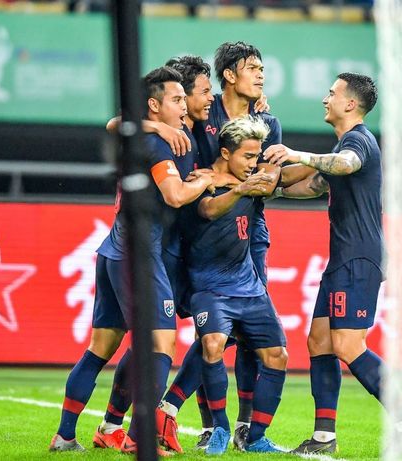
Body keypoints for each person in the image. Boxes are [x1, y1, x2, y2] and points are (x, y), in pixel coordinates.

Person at [49, 66, 214, 454]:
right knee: (161, 344)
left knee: (100, 349)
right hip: (137, 256)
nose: (184, 107)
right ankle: (139, 440)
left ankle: (66, 436)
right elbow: (173, 195)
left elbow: (115, 124)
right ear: (155, 105)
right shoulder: (159, 143)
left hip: (113, 251)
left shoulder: (153, 133)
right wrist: (204, 181)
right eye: (177, 100)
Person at [263, 73, 402, 456]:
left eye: (332, 93)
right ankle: (323, 438)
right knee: (319, 342)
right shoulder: (343, 145)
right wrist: (266, 191)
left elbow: (346, 164)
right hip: (343, 259)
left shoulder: (358, 141)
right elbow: (314, 185)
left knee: (348, 344)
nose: (325, 98)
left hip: (359, 258)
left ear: (350, 103)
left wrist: (295, 154)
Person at [157, 41, 283, 452]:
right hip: (198, 232)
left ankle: (245, 427)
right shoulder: (201, 109)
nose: (261, 74)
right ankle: (208, 423)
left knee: (244, 332)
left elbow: (273, 177)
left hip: (250, 233)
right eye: (252, 67)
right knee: (209, 331)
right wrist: (156, 125)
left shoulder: (267, 121)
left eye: (262, 68)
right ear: (229, 74)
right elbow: (127, 120)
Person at [183, 116, 288, 455]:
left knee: (278, 356)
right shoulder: (203, 181)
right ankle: (219, 429)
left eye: (257, 157)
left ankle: (256, 437)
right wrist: (241, 188)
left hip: (249, 288)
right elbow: (208, 210)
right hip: (210, 289)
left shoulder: (254, 180)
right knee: (212, 345)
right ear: (226, 152)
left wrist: (320, 170)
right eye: (247, 156)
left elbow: (283, 181)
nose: (253, 164)